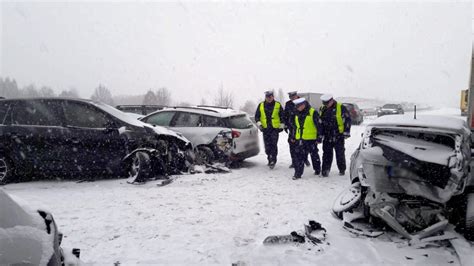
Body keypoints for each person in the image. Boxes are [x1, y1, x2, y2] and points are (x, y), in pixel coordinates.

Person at [319, 94, 351, 177]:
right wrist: (320, 134)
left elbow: (347, 119)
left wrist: (346, 132)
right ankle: (325, 171)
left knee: (339, 154)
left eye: (327, 103)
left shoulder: (340, 107)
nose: (326, 105)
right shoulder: (322, 108)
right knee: (326, 154)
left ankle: (342, 169)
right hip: (327, 135)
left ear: (331, 100)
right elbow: (320, 122)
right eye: (324, 103)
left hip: (338, 135)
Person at [291, 98, 321, 180]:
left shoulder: (312, 112)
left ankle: (317, 169)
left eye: (299, 106)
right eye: (297, 106)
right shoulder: (296, 113)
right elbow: (295, 127)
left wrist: (319, 137)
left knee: (314, 155)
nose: (298, 108)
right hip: (300, 139)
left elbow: (319, 126)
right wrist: (293, 136)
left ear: (304, 104)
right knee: (299, 156)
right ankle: (298, 174)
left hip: (311, 139)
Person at [255, 90, 285, 169]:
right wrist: (260, 125)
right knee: (267, 146)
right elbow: (257, 117)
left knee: (273, 145)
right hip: (265, 129)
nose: (269, 98)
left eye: (270, 97)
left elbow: (283, 117)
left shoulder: (278, 105)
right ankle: (269, 158)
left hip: (274, 129)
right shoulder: (261, 105)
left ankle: (273, 160)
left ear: (273, 97)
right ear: (265, 97)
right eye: (267, 97)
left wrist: (281, 127)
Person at [284, 91, 310, 168]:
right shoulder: (288, 104)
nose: (292, 98)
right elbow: (285, 115)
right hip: (292, 127)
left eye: (293, 96)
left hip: (302, 127)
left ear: (296, 96)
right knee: (292, 145)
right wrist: (285, 125)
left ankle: (305, 159)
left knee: (304, 145)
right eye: (290, 97)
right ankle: (294, 161)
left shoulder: (303, 101)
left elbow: (309, 112)